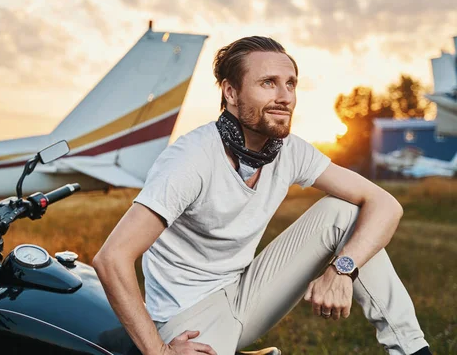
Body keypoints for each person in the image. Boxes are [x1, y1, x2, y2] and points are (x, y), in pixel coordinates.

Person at [93, 36, 431, 355]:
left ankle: (412, 349)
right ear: (230, 92)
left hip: (246, 293)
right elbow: (112, 259)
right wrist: (158, 350)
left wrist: (342, 270)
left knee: (344, 212)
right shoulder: (190, 159)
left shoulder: (289, 151)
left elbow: (385, 204)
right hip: (189, 317)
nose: (284, 96)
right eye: (268, 82)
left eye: (291, 83)